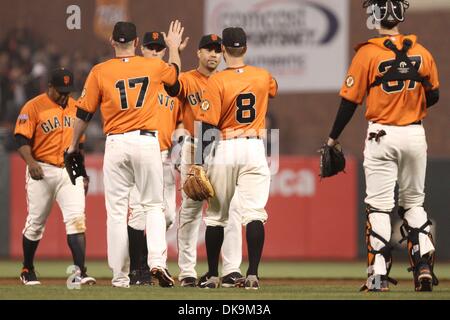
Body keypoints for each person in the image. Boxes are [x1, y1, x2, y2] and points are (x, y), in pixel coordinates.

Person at [325, 0, 439, 292]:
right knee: (414, 203)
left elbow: (349, 101)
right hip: (414, 134)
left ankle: (377, 275)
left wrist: (332, 137)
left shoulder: (367, 54)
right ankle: (423, 263)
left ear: (375, 16)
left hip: (382, 135)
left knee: (379, 207)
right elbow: (434, 95)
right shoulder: (422, 53)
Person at [66, 21, 184, 288]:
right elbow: (175, 80)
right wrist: (174, 48)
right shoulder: (153, 65)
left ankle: (120, 277)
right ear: (136, 43)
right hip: (146, 141)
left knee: (117, 213)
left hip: (116, 143)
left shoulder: (100, 70)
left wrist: (73, 144)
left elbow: (84, 113)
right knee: (154, 205)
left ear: (112, 41)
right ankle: (157, 263)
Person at [192, 27, 278, 289]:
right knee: (254, 214)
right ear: (246, 49)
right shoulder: (263, 76)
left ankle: (213, 275)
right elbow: (274, 89)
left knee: (217, 215)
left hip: (227, 146)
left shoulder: (216, 81)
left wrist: (199, 161)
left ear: (224, 50)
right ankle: (252, 274)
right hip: (254, 147)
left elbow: (207, 126)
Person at [165, 34, 244, 288]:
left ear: (223, 54)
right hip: (194, 146)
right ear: (198, 53)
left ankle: (231, 269)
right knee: (190, 210)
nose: (213, 54)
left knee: (229, 209)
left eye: (217, 51)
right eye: (207, 50)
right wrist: (174, 50)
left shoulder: (228, 80)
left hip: (224, 147)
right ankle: (187, 271)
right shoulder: (188, 79)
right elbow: (171, 85)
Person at [14, 68, 95, 286]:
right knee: (35, 223)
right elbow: (21, 139)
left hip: (70, 169)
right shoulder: (33, 106)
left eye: (67, 91)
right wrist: (31, 163)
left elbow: (80, 145)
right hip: (42, 168)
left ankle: (80, 272)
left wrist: (83, 173)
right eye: (60, 90)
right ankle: (27, 268)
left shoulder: (76, 107)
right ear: (49, 86)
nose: (64, 95)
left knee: (76, 220)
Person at [127, 31, 183, 286]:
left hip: (164, 157)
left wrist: (174, 50)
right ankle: (139, 269)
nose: (154, 51)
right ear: (141, 50)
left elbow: (181, 119)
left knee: (168, 215)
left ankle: (149, 262)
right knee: (139, 213)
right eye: (150, 47)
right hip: (141, 153)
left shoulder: (171, 88)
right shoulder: (140, 79)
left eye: (158, 48)